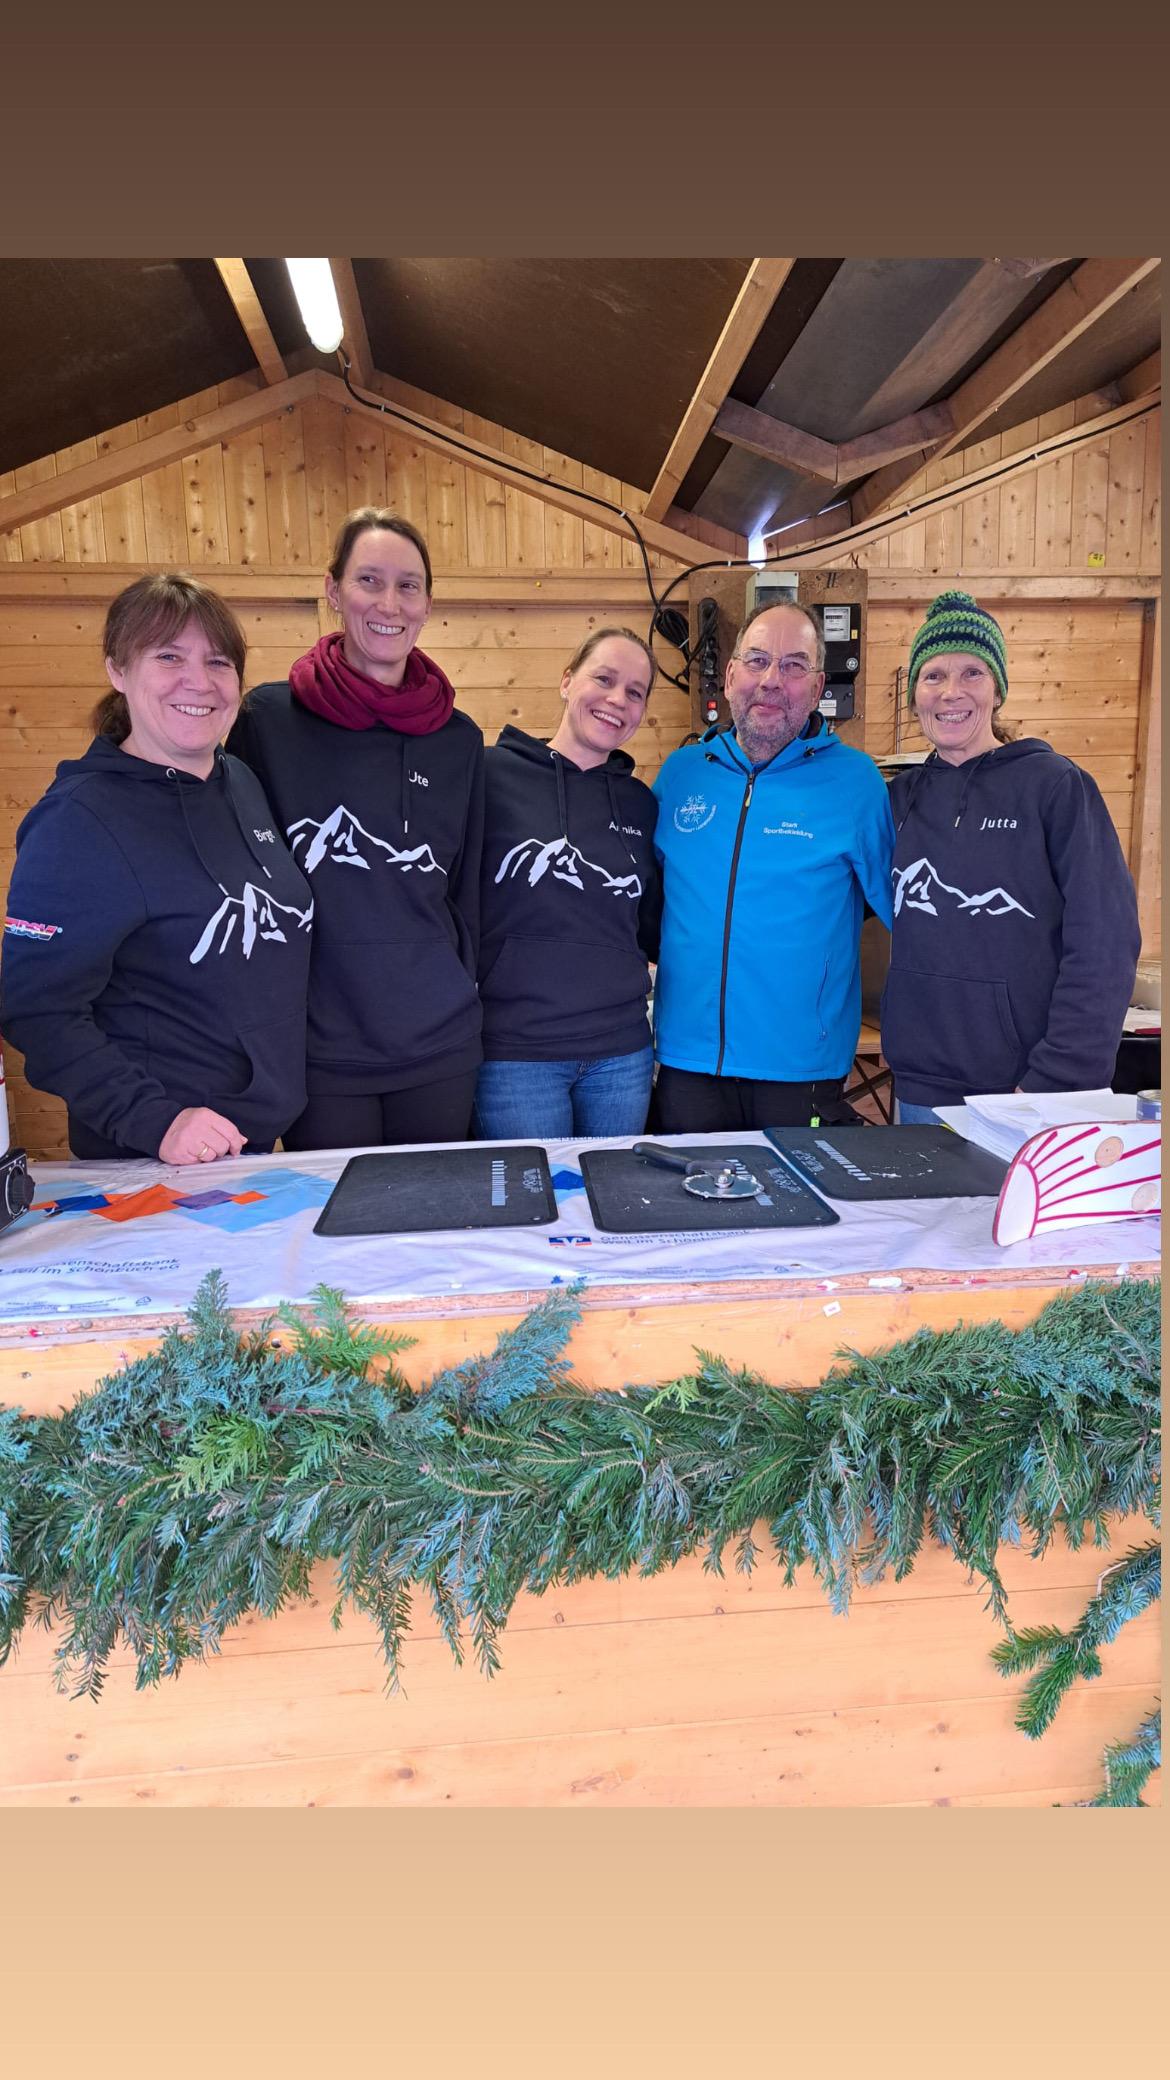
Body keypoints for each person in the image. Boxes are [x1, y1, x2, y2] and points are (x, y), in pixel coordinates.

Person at [0, 574, 312, 1164]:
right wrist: (155, 1122)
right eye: (169, 656)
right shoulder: (78, 820)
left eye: (218, 661)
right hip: (155, 1154)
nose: (199, 681)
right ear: (118, 669)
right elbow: (36, 1008)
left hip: (250, 1139)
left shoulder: (239, 782)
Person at [227, 509, 484, 1150]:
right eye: (369, 580)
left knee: (436, 1209)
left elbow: (467, 890)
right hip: (318, 1051)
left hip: (439, 1046)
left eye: (408, 586)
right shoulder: (268, 720)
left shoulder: (459, 740)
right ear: (334, 591)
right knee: (330, 1214)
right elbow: (240, 875)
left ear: (426, 605)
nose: (389, 603)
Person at [881, 590, 1141, 1122]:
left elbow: (1106, 942)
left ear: (997, 689)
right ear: (914, 695)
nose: (951, 692)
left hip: (1025, 1093)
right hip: (919, 1089)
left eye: (972, 673)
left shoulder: (1055, 787)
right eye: (933, 676)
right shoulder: (896, 800)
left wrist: (1056, 1079)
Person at [650, 599, 894, 1132]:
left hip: (801, 1067)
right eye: (758, 660)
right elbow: (644, 898)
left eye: (793, 665)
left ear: (818, 685)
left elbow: (909, 914)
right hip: (688, 1061)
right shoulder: (682, 774)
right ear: (730, 675)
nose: (771, 681)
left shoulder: (856, 783)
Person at [473, 627, 661, 1139]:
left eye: (635, 692)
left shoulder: (641, 805)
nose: (617, 699)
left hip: (621, 1055)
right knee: (534, 1190)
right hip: (516, 1055)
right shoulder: (488, 777)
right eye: (604, 679)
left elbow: (647, 926)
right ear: (566, 681)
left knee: (614, 1186)